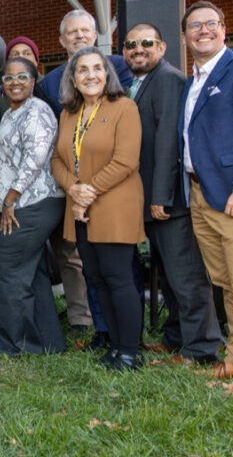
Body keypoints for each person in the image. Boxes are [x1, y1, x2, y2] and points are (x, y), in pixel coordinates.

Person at [123, 22, 221, 364]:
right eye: (131, 44)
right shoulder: (138, 82)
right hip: (150, 198)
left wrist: (161, 196)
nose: (138, 49)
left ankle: (202, 348)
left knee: (187, 277)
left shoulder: (166, 79)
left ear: (162, 48)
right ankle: (177, 337)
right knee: (168, 275)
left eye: (147, 42)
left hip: (168, 201)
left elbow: (168, 141)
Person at [179, 1, 233, 397]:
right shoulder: (193, 80)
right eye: (195, 26)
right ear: (185, 36)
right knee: (225, 283)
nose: (203, 30)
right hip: (200, 194)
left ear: (224, 29)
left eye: (211, 23)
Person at [51, 47, 145, 371]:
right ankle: (115, 346)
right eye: (83, 70)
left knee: (119, 279)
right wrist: (72, 189)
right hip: (79, 210)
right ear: (73, 80)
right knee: (96, 278)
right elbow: (57, 160)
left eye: (97, 69)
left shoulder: (124, 107)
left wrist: (86, 192)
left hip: (114, 206)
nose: (91, 75)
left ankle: (131, 352)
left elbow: (126, 160)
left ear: (107, 74)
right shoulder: (68, 113)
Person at [0, 58, 65, 355]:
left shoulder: (38, 111)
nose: (15, 82)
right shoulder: (10, 113)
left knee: (11, 274)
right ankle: (47, 342)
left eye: (22, 76)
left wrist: (10, 200)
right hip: (17, 204)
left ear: (34, 80)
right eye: (8, 78)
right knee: (32, 275)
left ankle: (16, 344)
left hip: (29, 203)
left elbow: (35, 158)